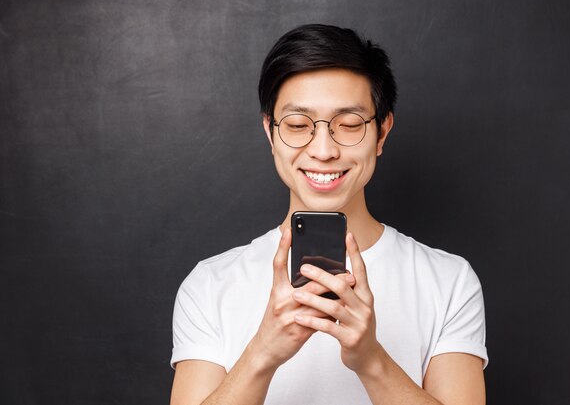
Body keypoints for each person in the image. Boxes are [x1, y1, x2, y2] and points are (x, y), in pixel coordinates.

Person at [170, 24, 488, 405]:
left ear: (382, 132)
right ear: (270, 133)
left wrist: (371, 361)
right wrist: (262, 354)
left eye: (349, 125)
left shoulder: (448, 281)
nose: (323, 150)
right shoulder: (209, 284)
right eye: (298, 125)